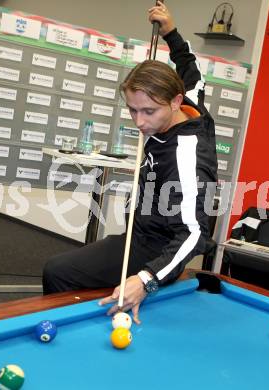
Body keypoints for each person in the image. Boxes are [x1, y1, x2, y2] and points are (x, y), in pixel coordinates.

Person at [43, 1, 217, 323]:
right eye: (133, 110)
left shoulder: (187, 154)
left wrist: (146, 279)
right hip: (138, 231)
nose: (139, 121)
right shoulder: (189, 97)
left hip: (156, 247)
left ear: (175, 101)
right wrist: (171, 32)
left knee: (58, 272)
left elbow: (195, 234)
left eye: (148, 111)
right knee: (63, 270)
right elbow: (190, 69)